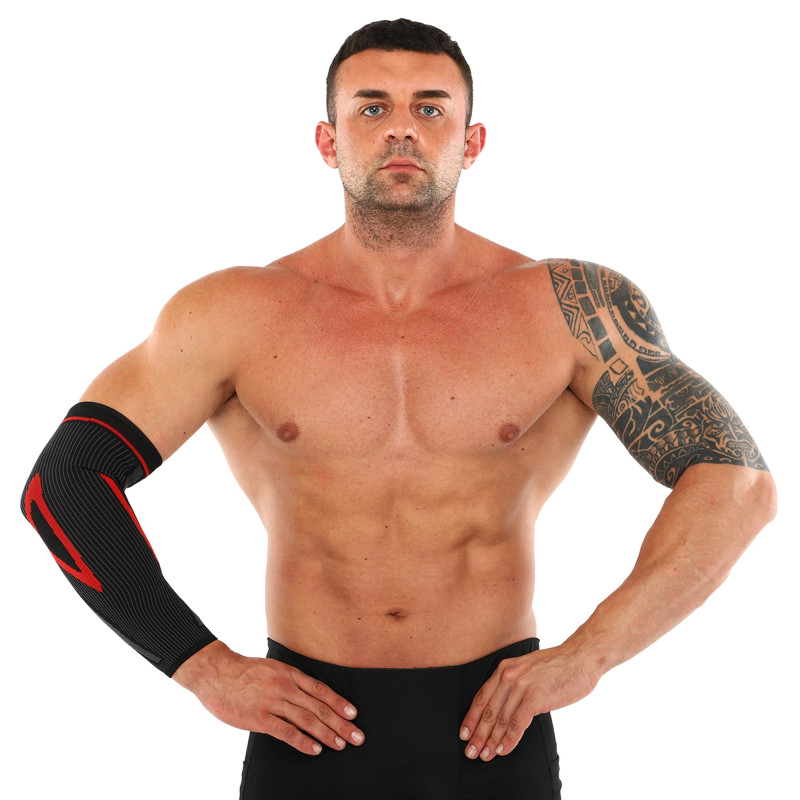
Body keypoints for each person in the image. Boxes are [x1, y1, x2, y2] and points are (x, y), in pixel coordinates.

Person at [20, 18, 776, 800]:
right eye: (373, 107)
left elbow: (736, 483)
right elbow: (66, 484)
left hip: (495, 730)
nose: (402, 129)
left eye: (431, 107)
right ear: (328, 140)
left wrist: (590, 655)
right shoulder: (234, 312)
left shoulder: (567, 307)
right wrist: (203, 666)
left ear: (472, 142)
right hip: (304, 732)